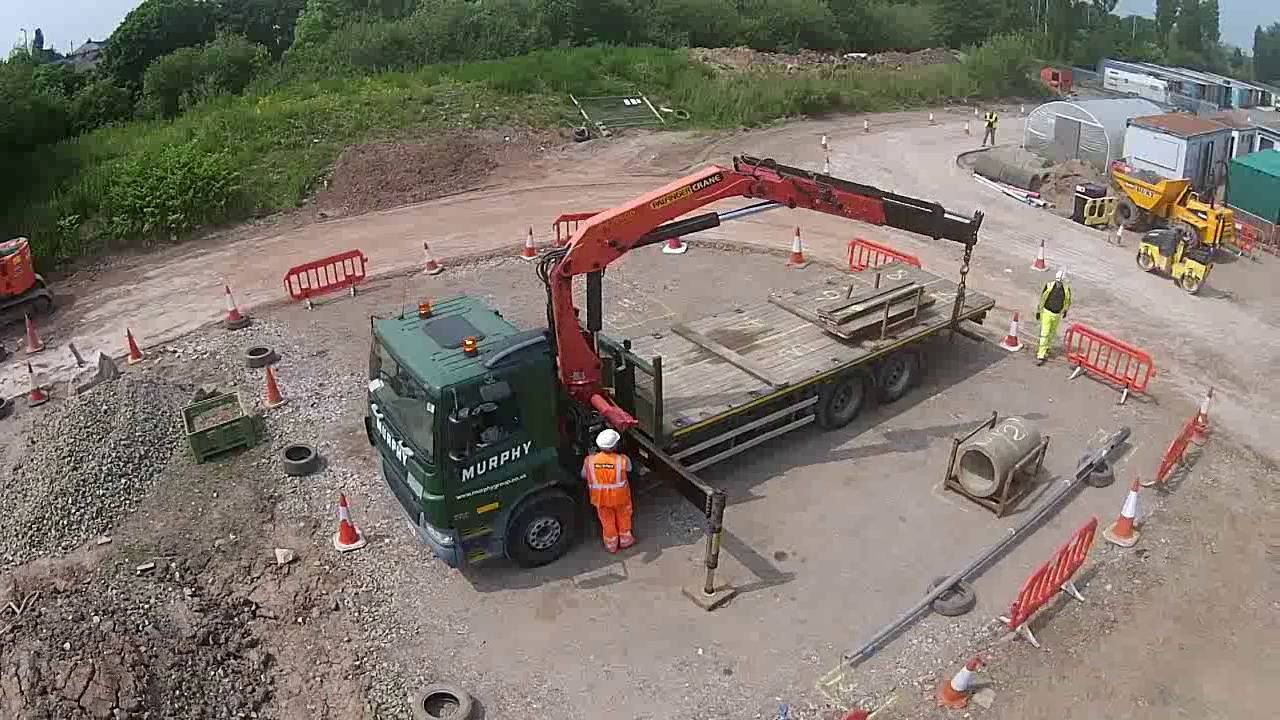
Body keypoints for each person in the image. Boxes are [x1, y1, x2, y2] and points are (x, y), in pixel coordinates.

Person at [582, 429, 634, 553]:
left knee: (607, 521)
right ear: (615, 445)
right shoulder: (622, 459)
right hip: (620, 497)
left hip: (600, 499)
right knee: (624, 517)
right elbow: (630, 469)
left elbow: (584, 475)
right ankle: (626, 540)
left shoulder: (589, 460)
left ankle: (611, 544)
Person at [1035, 269, 1072, 365]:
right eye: (1058, 281)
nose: (1058, 282)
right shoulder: (1049, 286)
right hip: (1047, 312)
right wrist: (1039, 311)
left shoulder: (1066, 289)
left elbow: (1067, 301)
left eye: (1060, 281)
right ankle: (1041, 355)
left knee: (1052, 333)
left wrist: (1065, 311)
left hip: (1057, 314)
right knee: (1045, 333)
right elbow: (1043, 298)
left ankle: (1047, 349)